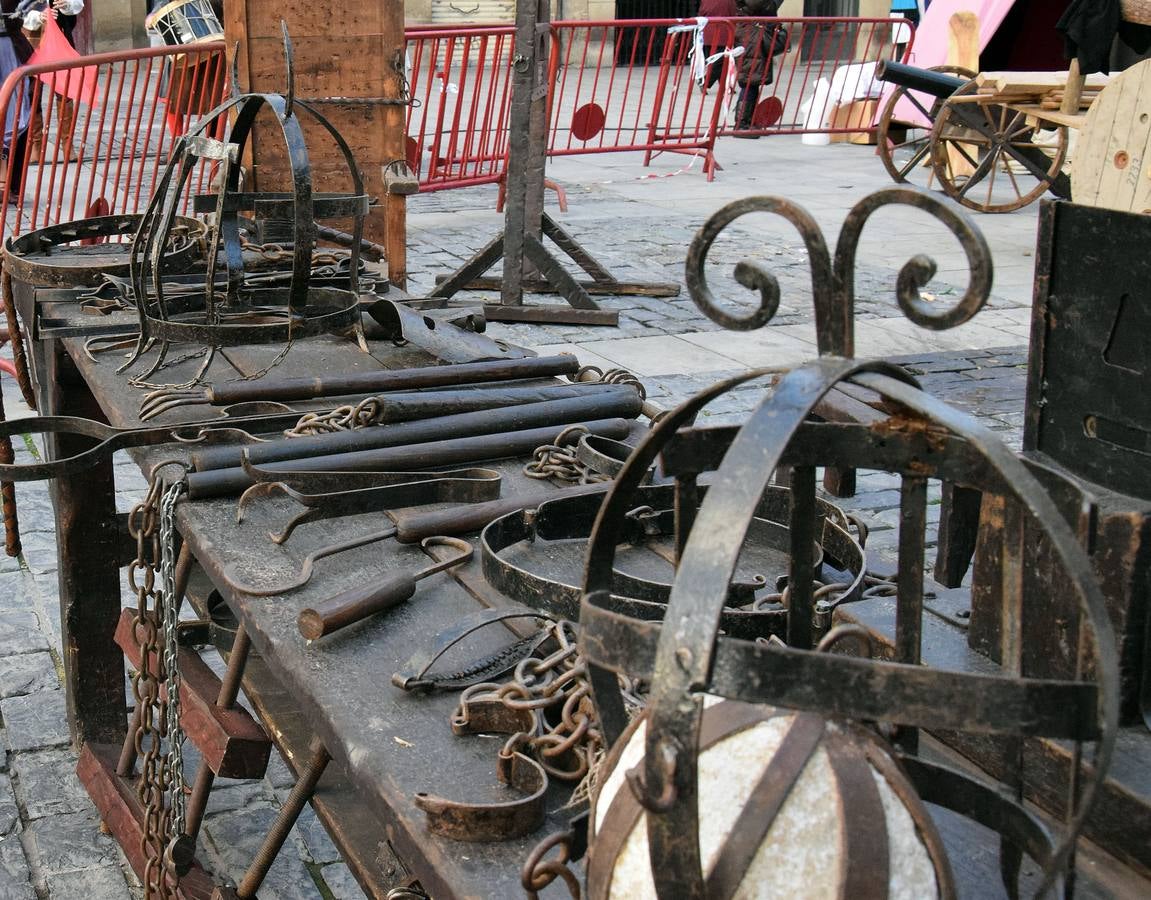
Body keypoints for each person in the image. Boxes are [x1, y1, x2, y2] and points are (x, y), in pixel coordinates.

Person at [20, 0, 84, 162]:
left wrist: (66, 5)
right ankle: (36, 145)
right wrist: (39, 16)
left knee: (64, 90)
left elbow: (78, 5)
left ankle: (67, 145)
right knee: (32, 92)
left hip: (61, 37)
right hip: (34, 40)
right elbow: (18, 11)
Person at [733, 0, 786, 136]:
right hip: (751, 35)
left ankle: (748, 121)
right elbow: (758, 4)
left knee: (753, 81)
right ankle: (741, 124)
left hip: (753, 34)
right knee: (750, 80)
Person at [698, 0, 738, 92]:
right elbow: (733, 14)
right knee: (720, 61)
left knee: (720, 61)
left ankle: (725, 85)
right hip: (723, 34)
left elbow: (701, 13)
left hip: (708, 33)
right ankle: (705, 81)